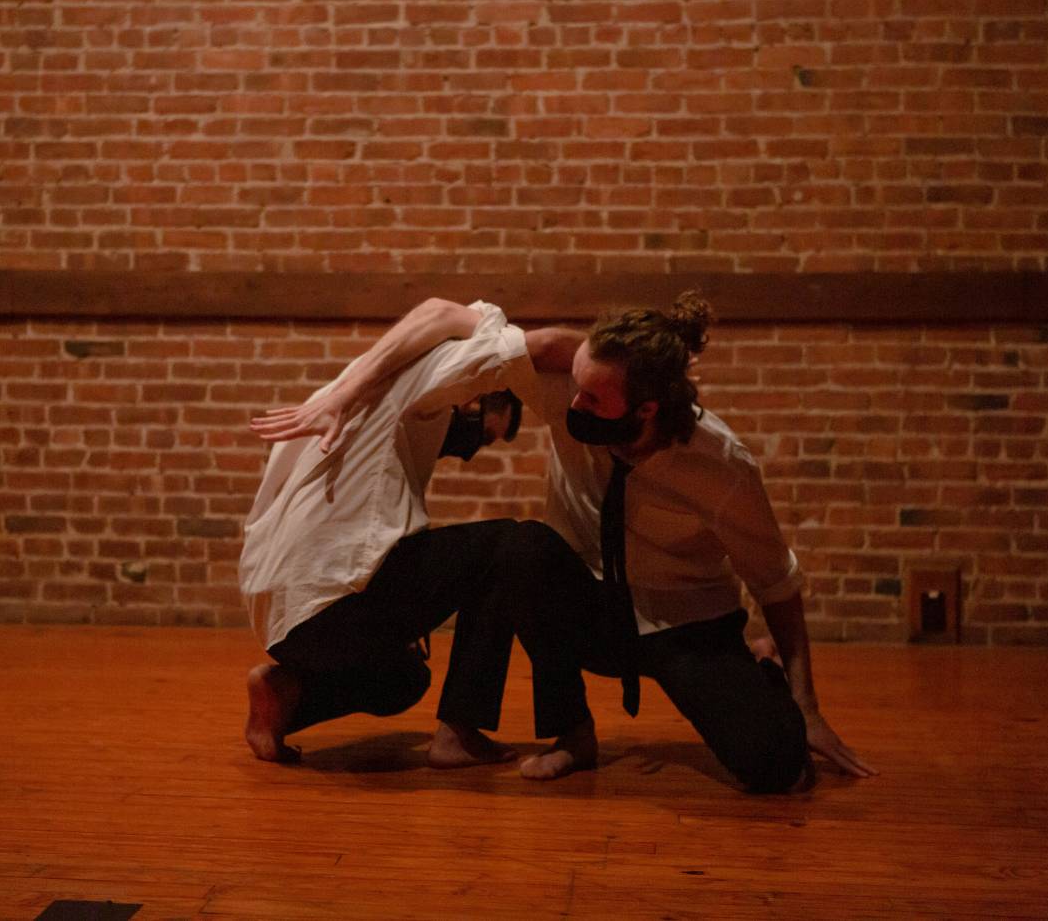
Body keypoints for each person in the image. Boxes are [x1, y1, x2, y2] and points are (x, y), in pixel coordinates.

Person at [269, 290, 876, 791]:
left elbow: (776, 581)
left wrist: (808, 708)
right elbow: (455, 321)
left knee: (774, 769)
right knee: (522, 549)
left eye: (593, 397)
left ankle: (760, 673)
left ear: (646, 411)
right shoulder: (568, 385)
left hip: (684, 624)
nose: (574, 401)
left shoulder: (721, 466)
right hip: (593, 607)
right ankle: (573, 734)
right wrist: (341, 397)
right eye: (576, 384)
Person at [238, 296, 568, 769]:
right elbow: (535, 342)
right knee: (510, 545)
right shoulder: (432, 372)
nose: (480, 444)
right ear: (478, 395)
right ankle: (459, 733)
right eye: (491, 429)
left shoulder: (344, 389)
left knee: (404, 679)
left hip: (283, 621)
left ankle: (286, 693)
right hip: (332, 606)